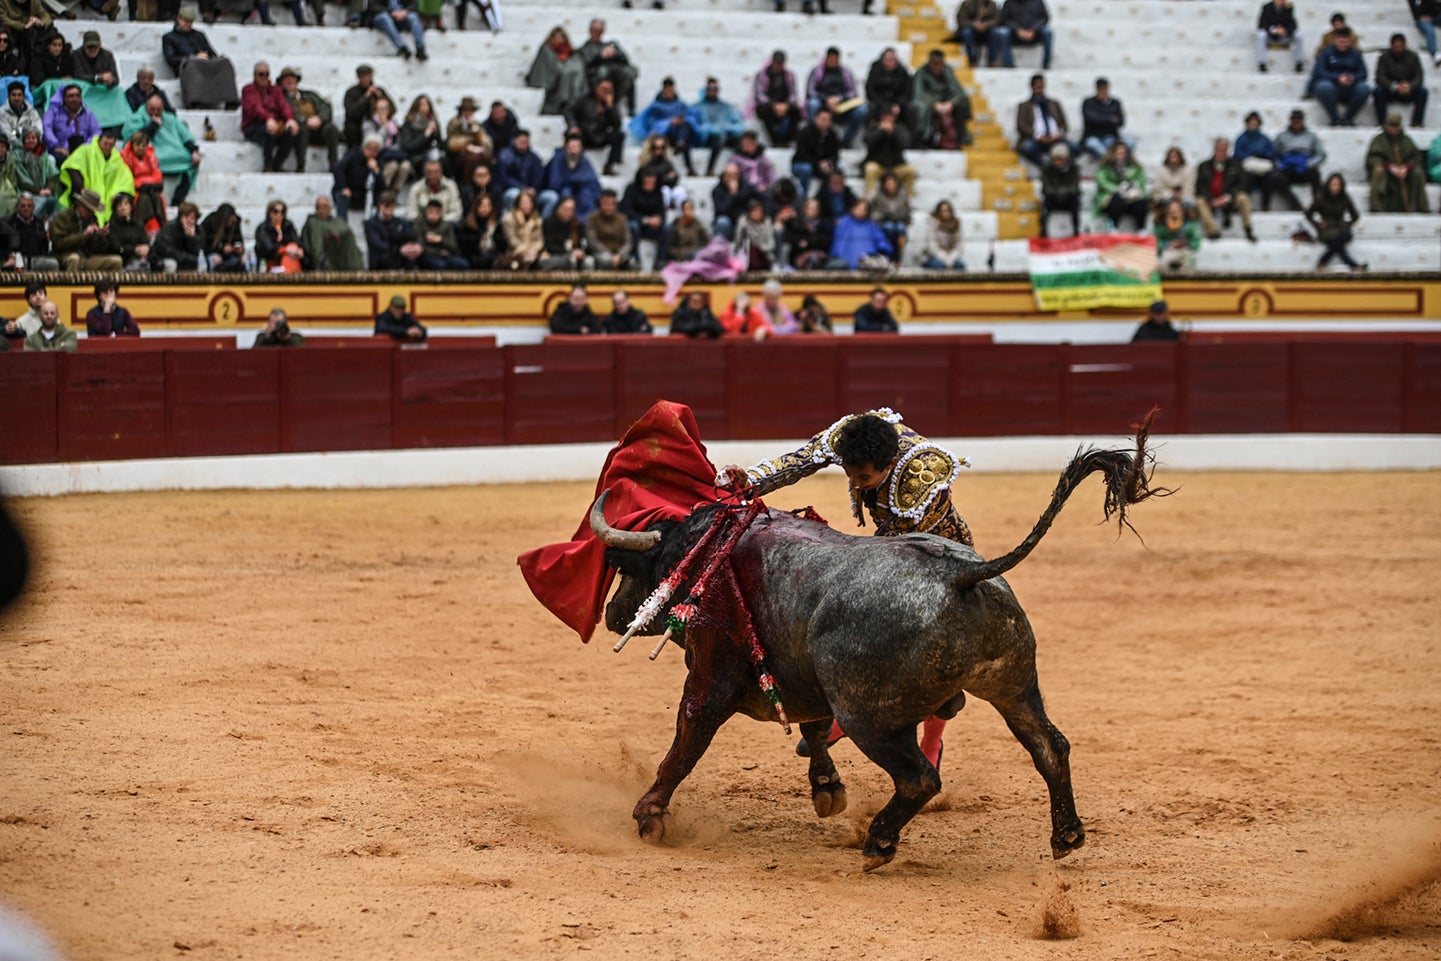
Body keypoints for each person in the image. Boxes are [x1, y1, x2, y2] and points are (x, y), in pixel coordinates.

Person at [718, 408, 974, 765]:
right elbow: (798, 462)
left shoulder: (921, 481)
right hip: (891, 541)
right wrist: (748, 484)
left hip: (939, 554)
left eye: (864, 477)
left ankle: (930, 743)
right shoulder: (850, 437)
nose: (855, 483)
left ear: (889, 464)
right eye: (850, 474)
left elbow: (894, 551)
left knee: (931, 654)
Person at [123, 93, 201, 208]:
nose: (155, 113)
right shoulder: (137, 117)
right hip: (148, 152)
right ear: (146, 106)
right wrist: (153, 126)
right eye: (152, 109)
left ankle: (179, 197)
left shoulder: (169, 118)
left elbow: (185, 135)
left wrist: (194, 151)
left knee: (193, 159)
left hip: (173, 151)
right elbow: (134, 138)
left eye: (158, 110)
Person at [164, 6, 237, 110]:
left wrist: (207, 56)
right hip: (187, 65)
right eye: (186, 21)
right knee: (193, 64)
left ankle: (231, 100)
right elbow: (171, 58)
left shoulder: (198, 35)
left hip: (205, 64)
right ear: (179, 19)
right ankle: (195, 101)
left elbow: (212, 53)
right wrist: (192, 57)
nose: (188, 24)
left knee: (225, 62)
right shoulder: (169, 37)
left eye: (190, 22)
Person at [278, 66, 340, 175]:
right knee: (302, 129)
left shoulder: (310, 95)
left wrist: (319, 118)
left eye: (293, 78)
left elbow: (325, 106)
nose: (291, 81)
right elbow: (287, 113)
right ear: (282, 83)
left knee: (330, 129)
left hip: (318, 128)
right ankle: (301, 166)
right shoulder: (281, 98)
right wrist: (305, 120)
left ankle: (333, 164)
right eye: (287, 79)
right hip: (301, 130)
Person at [630, 78, 696, 176]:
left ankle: (688, 163)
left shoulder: (680, 105)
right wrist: (669, 123)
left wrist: (681, 120)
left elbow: (691, 115)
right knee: (660, 144)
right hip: (663, 135)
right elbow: (651, 123)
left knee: (685, 132)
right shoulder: (655, 106)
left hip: (678, 134)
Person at [240, 61, 298, 172]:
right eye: (261, 74)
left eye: (266, 74)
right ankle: (268, 165)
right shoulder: (248, 90)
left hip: (273, 123)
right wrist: (268, 118)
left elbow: (283, 105)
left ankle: (278, 164)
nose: (264, 77)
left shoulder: (275, 90)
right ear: (255, 75)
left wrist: (290, 119)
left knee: (291, 130)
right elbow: (255, 108)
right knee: (269, 130)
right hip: (254, 126)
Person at [1366, 114, 1429, 212]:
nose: (1393, 128)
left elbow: (1416, 157)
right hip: (1386, 172)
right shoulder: (1379, 140)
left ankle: (1421, 206)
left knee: (1418, 173)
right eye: (1391, 125)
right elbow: (1372, 158)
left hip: (1404, 173)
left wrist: (1407, 167)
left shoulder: (1406, 140)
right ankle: (1376, 205)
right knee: (1378, 171)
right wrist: (1389, 167)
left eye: (1396, 125)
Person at [48, 187, 122, 271]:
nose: (91, 213)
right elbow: (59, 243)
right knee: (74, 259)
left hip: (86, 257)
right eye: (89, 210)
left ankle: (107, 284)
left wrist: (100, 237)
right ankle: (72, 284)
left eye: (93, 210)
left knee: (116, 261)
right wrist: (84, 235)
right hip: (64, 255)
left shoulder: (92, 219)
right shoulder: (63, 217)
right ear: (80, 205)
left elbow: (96, 250)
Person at [806, 48, 867, 148]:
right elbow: (811, 91)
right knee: (813, 104)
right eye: (831, 59)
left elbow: (852, 92)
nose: (833, 62)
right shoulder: (817, 71)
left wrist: (839, 99)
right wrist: (826, 99)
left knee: (862, 110)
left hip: (842, 106)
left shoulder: (846, 72)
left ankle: (846, 141)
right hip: (823, 105)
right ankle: (814, 137)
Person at [912, 50, 971, 150]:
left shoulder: (947, 72)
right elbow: (919, 93)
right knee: (921, 108)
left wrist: (950, 103)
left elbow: (958, 92)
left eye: (939, 64)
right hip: (929, 102)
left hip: (946, 102)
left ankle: (960, 138)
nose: (937, 67)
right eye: (934, 64)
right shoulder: (921, 73)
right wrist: (934, 104)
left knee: (962, 103)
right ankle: (925, 138)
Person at [577, 19, 637, 117]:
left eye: (599, 31)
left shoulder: (610, 45)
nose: (596, 33)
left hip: (615, 78)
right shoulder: (584, 49)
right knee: (603, 73)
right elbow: (586, 66)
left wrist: (614, 54)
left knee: (629, 73)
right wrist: (600, 57)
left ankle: (630, 108)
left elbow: (625, 60)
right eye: (594, 30)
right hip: (595, 79)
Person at [1306, 171, 1365, 270]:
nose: (1336, 187)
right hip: (1327, 229)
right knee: (1339, 245)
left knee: (1343, 237)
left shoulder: (1345, 198)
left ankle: (1322, 261)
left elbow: (1355, 215)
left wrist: (1347, 224)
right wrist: (1318, 225)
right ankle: (1354, 266)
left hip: (1341, 227)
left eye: (1338, 185)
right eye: (1333, 184)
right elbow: (1308, 214)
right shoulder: (1321, 198)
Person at [565, 79, 625, 176]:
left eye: (609, 90)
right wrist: (573, 126)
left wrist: (610, 107)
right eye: (604, 89)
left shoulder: (611, 103)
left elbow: (617, 124)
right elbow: (568, 112)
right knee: (572, 136)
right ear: (597, 88)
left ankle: (609, 166)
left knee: (619, 135)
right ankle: (572, 165)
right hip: (583, 133)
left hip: (599, 135)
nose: (606, 92)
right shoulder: (584, 98)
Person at [525, 25, 587, 116]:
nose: (559, 39)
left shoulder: (572, 54)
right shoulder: (547, 50)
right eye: (556, 37)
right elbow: (552, 68)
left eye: (562, 37)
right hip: (554, 88)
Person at [1314, 27, 1371, 126]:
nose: (1343, 44)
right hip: (1333, 85)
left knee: (1364, 88)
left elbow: (1363, 73)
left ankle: (1348, 118)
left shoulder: (1355, 53)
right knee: (1322, 87)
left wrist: (1352, 77)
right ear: (1335, 40)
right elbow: (1320, 71)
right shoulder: (1327, 53)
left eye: (1345, 41)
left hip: (1351, 86)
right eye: (1340, 41)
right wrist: (1337, 77)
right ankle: (1335, 118)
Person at [1014, 73, 1073, 168]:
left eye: (1041, 86)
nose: (1039, 89)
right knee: (1028, 148)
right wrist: (1038, 136)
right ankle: (1047, 166)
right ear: (1032, 87)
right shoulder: (1025, 106)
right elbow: (1021, 126)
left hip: (1055, 138)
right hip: (1035, 139)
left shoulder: (1054, 103)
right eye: (1037, 86)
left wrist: (1057, 134)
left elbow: (1064, 124)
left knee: (1074, 148)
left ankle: (1065, 169)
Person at [1272, 109, 1325, 210]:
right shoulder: (1281, 136)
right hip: (1287, 167)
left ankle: (1318, 204)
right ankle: (1295, 205)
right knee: (1276, 179)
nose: (1296, 123)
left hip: (1304, 167)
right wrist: (1280, 165)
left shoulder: (1311, 136)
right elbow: (1274, 154)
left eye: (1299, 121)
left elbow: (1321, 154)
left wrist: (1309, 163)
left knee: (1315, 174)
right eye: (1294, 121)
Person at [543, 130, 602, 220]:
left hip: (580, 190)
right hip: (562, 190)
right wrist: (574, 182)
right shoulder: (558, 159)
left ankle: (585, 222)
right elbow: (554, 181)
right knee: (566, 195)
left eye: (577, 147)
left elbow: (592, 180)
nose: (574, 149)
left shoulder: (584, 160)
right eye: (572, 146)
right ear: (566, 147)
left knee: (587, 195)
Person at [1374, 33, 1429, 127]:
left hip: (1408, 90)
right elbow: (1380, 77)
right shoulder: (1384, 57)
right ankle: (1382, 122)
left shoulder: (1413, 57)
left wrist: (1410, 86)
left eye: (1401, 47)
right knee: (1378, 91)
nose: (1398, 49)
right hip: (1390, 90)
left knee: (1423, 92)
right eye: (1396, 47)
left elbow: (1419, 77)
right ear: (1391, 46)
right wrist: (1395, 86)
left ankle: (1417, 122)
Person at [693, 78, 745, 178]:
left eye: (715, 89)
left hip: (726, 136)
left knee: (741, 140)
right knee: (720, 137)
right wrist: (717, 129)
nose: (712, 91)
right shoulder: (698, 107)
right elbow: (698, 127)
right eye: (710, 88)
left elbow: (740, 126)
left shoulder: (726, 107)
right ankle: (710, 169)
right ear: (705, 90)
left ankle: (738, 170)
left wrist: (725, 128)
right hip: (707, 138)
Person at [1233, 110, 1283, 210]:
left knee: (1268, 180)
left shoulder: (1264, 138)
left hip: (1262, 168)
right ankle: (1246, 205)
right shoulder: (1242, 138)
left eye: (1255, 123)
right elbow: (1238, 154)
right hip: (1248, 168)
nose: (1253, 125)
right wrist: (1250, 156)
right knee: (1248, 179)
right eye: (1251, 123)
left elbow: (1272, 152)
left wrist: (1262, 155)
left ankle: (1266, 205)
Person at [300, 194, 364, 270]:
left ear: (330, 208)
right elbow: (312, 244)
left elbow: (347, 232)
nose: (322, 210)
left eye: (325, 206)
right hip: (324, 256)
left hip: (341, 253)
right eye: (319, 207)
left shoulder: (338, 221)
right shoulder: (312, 223)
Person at [620, 170, 669, 270]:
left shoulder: (658, 191)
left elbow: (662, 211)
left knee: (667, 229)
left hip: (652, 227)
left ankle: (660, 261)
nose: (650, 185)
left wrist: (659, 219)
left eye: (653, 182)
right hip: (637, 223)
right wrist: (644, 220)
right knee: (633, 226)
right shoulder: (631, 189)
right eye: (648, 182)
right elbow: (626, 210)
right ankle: (636, 260)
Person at [1094, 141, 1147, 231]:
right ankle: (1112, 226)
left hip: (1131, 196)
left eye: (1124, 153)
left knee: (1141, 202)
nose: (1122, 155)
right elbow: (1102, 182)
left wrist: (1131, 189)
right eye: (1119, 153)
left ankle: (1141, 229)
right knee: (1117, 199)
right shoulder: (1106, 167)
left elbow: (1141, 182)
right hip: (1111, 197)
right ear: (1113, 154)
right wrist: (1119, 189)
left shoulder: (1136, 168)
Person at [861, 111, 915, 198]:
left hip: (895, 166)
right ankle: (870, 199)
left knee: (911, 171)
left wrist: (893, 132)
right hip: (879, 166)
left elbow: (905, 143)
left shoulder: (900, 128)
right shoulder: (873, 127)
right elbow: (868, 142)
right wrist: (881, 131)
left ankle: (909, 199)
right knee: (870, 168)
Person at [752, 50, 800, 147]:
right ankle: (775, 141)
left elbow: (793, 93)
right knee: (766, 112)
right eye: (777, 63)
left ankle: (789, 140)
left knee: (796, 112)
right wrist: (774, 105)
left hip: (784, 104)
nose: (779, 66)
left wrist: (786, 105)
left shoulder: (789, 75)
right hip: (768, 105)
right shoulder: (762, 75)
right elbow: (759, 95)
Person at [365, 190, 424, 269]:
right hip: (381, 258)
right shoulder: (371, 223)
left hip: (397, 255)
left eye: (391, 206)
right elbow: (377, 244)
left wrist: (412, 247)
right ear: (380, 206)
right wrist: (399, 250)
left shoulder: (399, 222)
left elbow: (408, 236)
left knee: (413, 256)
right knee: (386, 256)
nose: (389, 209)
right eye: (386, 206)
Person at [828, 197, 892, 269]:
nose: (860, 211)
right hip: (845, 262)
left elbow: (883, 242)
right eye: (858, 208)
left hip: (868, 264)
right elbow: (838, 244)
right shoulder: (843, 222)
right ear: (853, 208)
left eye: (863, 209)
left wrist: (883, 251)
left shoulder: (871, 226)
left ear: (867, 212)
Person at [341, 64, 395, 151]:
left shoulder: (379, 90)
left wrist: (381, 97)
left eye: (368, 76)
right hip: (357, 125)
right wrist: (366, 97)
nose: (366, 79)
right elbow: (351, 113)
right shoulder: (351, 92)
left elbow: (393, 109)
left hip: (377, 124)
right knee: (352, 129)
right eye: (363, 76)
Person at [1079, 77, 1134, 159]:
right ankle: (1110, 160)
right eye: (1100, 89)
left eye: (1104, 89)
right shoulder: (1088, 102)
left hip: (1111, 137)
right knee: (1094, 144)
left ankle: (1115, 159)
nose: (1102, 92)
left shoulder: (1115, 103)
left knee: (1130, 142)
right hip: (1094, 137)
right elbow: (1091, 120)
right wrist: (1110, 118)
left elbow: (1121, 122)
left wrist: (1100, 117)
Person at [494, 127, 546, 212]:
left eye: (526, 142)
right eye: (521, 141)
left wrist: (534, 188)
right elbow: (504, 178)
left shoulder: (534, 157)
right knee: (513, 195)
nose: (524, 144)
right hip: (512, 190)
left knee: (551, 197)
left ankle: (539, 222)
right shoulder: (505, 156)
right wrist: (523, 188)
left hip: (532, 191)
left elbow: (539, 175)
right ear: (514, 140)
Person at [44, 85, 100, 164]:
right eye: (71, 96)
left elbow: (96, 132)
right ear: (64, 99)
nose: (75, 99)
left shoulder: (88, 113)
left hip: (85, 151)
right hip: (60, 151)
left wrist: (85, 148)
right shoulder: (54, 112)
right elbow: (47, 129)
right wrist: (57, 147)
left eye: (77, 96)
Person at [331, 135, 384, 219]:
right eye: (369, 148)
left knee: (383, 197)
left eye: (375, 150)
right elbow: (337, 168)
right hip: (350, 191)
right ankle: (342, 226)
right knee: (341, 195)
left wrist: (376, 171)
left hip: (365, 195)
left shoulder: (378, 161)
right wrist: (343, 187)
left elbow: (381, 186)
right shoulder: (353, 155)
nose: (372, 152)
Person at [446, 97, 493, 187]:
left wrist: (475, 129)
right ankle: (467, 186)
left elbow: (484, 141)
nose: (468, 113)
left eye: (470, 110)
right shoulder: (455, 123)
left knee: (487, 157)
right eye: (466, 110)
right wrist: (468, 146)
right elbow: (451, 143)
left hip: (475, 152)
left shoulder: (475, 123)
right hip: (458, 154)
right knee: (472, 159)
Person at [865, 47, 914, 134]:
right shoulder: (875, 71)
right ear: (883, 60)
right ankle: (871, 135)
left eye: (893, 59)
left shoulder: (902, 72)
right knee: (870, 109)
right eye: (888, 59)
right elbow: (870, 91)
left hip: (897, 102)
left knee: (911, 110)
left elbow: (907, 91)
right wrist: (883, 105)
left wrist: (899, 104)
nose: (891, 62)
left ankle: (911, 139)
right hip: (879, 102)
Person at [537, 194, 590, 270]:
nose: (568, 212)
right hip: (556, 256)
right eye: (566, 209)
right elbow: (550, 246)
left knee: (589, 261)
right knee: (571, 260)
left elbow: (583, 242)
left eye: (571, 210)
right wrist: (570, 253)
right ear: (559, 207)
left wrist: (581, 251)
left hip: (575, 256)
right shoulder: (549, 223)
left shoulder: (576, 223)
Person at [1039, 141, 1079, 238]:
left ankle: (1076, 231)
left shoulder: (1074, 168)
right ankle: (1043, 232)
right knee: (1044, 205)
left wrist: (1065, 192)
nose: (1058, 162)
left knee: (1075, 202)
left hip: (1068, 198)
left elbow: (1074, 185)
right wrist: (1057, 192)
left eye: (1061, 160)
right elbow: (1046, 186)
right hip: (1053, 197)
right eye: (1056, 160)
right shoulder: (1047, 168)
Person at [869, 172, 911, 262]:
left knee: (900, 228)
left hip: (899, 223)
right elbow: (870, 211)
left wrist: (898, 215)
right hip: (881, 223)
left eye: (893, 183)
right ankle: (888, 255)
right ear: (883, 185)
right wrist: (884, 214)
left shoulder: (903, 196)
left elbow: (907, 214)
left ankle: (897, 257)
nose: (891, 186)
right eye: (888, 183)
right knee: (889, 227)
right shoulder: (876, 195)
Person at [585, 188, 632, 269]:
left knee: (633, 263)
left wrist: (619, 255)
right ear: (600, 203)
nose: (608, 207)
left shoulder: (622, 219)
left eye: (611, 204)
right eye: (606, 204)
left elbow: (628, 241)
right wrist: (609, 255)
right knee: (605, 260)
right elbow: (592, 242)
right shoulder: (592, 219)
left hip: (619, 254)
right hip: (600, 253)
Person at [151, 199, 203, 271]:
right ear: (181, 217)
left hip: (187, 259)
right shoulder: (170, 227)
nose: (189, 221)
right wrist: (186, 258)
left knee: (202, 264)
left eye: (192, 218)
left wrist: (192, 238)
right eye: (186, 217)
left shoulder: (198, 230)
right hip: (165, 258)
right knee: (171, 264)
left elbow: (198, 250)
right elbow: (166, 250)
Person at [9, 193, 58, 270]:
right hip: (19, 259)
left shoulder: (39, 222)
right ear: (17, 207)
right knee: (19, 265)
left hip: (37, 259)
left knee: (53, 263)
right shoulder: (10, 222)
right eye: (23, 206)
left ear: (33, 207)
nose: (26, 209)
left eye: (29, 206)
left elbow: (45, 244)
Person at [399, 94, 444, 176]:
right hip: (415, 155)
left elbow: (440, 143)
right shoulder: (409, 123)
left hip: (430, 153)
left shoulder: (433, 122)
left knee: (443, 161)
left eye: (427, 104)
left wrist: (435, 132)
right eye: (422, 104)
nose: (425, 107)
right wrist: (426, 134)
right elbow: (409, 146)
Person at [456, 192, 505, 269]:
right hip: (474, 258)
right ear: (476, 207)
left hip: (493, 256)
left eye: (488, 205)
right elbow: (466, 249)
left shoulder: (496, 225)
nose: (485, 209)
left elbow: (502, 246)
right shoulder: (468, 226)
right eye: (482, 206)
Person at [998, 0, 1053, 68]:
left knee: (1047, 32)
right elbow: (1004, 19)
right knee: (1004, 33)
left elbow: (1044, 18)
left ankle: (1046, 63)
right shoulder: (1009, 2)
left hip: (1034, 34)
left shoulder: (1038, 2)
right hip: (1015, 34)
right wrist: (1018, 29)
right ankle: (1009, 64)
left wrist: (1033, 29)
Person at [1255, 0, 1306, 72]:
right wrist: (1274, 30)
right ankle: (1261, 63)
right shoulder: (1266, 7)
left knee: (1299, 35)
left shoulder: (1288, 7)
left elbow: (1293, 25)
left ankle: (1299, 62)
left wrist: (1285, 30)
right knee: (1261, 35)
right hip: (1271, 36)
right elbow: (1262, 24)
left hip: (1285, 36)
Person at [1153, 198, 1201, 274]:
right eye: (1171, 208)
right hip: (1168, 250)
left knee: (1188, 265)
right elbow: (1155, 241)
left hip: (1185, 250)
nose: (1174, 211)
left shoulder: (1190, 223)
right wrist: (1169, 244)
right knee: (1162, 265)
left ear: (1182, 210)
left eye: (1177, 208)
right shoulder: (1161, 223)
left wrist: (1186, 243)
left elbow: (1196, 241)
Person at [255, 199, 304, 271]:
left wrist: (298, 249)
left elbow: (296, 241)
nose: (279, 215)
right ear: (270, 213)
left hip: (289, 258)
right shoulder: (263, 228)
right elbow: (268, 248)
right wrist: (285, 250)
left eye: (282, 212)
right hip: (269, 261)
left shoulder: (288, 226)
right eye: (276, 211)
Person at [406, 158, 461, 222]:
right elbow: (410, 213)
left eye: (436, 172)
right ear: (424, 173)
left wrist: (438, 220)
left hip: (445, 223)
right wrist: (425, 220)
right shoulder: (416, 188)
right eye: (429, 172)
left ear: (441, 172)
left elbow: (457, 213)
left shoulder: (451, 186)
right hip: (423, 224)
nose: (433, 175)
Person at [784, 196, 831, 269]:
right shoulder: (797, 223)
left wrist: (808, 243)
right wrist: (800, 243)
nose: (814, 211)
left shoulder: (823, 224)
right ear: (805, 209)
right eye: (811, 208)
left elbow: (825, 241)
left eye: (816, 208)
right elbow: (793, 240)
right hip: (799, 256)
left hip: (817, 254)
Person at [106, 193, 151, 270]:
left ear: (131, 207)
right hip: (122, 259)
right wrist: (134, 250)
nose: (123, 208)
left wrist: (145, 248)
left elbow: (145, 240)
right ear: (115, 208)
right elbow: (117, 248)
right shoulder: (111, 225)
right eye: (120, 205)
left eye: (126, 204)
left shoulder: (137, 224)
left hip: (139, 257)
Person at [501, 187, 543, 269]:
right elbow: (512, 241)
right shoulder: (509, 219)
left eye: (529, 203)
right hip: (515, 253)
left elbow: (539, 240)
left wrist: (533, 251)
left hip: (534, 253)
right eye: (524, 203)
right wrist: (527, 251)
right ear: (518, 204)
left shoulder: (537, 219)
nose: (527, 206)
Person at [954, 0, 1004, 68]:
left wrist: (986, 24)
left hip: (987, 31)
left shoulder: (992, 5)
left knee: (994, 33)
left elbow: (997, 19)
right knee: (966, 33)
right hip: (971, 30)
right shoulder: (967, 4)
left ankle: (992, 61)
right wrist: (973, 25)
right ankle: (972, 61)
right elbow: (961, 20)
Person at [732, 198, 776, 271]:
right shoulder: (743, 222)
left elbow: (771, 243)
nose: (757, 214)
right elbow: (738, 241)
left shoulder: (767, 222)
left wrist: (761, 248)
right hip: (747, 255)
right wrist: (742, 226)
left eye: (759, 212)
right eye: (754, 211)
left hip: (764, 253)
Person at [1150, 146, 1195, 216]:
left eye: (1176, 157)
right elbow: (1158, 188)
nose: (1173, 160)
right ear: (1168, 158)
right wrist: (1171, 194)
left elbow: (1189, 187)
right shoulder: (1162, 171)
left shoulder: (1188, 170)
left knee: (1189, 204)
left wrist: (1181, 196)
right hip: (1167, 197)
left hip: (1184, 197)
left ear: (1180, 158)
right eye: (1171, 157)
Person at [200, 202, 245, 271]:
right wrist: (221, 249)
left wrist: (239, 248)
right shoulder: (209, 223)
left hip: (231, 254)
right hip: (214, 253)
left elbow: (239, 240)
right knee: (215, 259)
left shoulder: (235, 223)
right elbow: (205, 246)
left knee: (244, 259)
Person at [921, 199, 965, 269]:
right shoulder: (932, 224)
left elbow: (959, 247)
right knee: (938, 265)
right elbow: (932, 247)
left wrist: (951, 259)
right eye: (944, 211)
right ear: (939, 213)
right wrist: (945, 259)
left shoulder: (956, 224)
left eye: (948, 211)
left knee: (960, 265)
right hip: (933, 257)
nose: (946, 214)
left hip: (951, 257)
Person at [667, 198, 709, 263]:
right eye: (686, 209)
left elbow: (707, 240)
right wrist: (680, 253)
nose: (688, 211)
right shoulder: (677, 224)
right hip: (681, 254)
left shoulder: (697, 224)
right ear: (682, 210)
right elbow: (670, 247)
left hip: (695, 253)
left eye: (690, 209)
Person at [0, 79, 38, 144]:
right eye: (13, 95)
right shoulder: (2, 112)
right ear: (8, 97)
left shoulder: (32, 112)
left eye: (19, 95)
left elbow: (38, 130)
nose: (16, 98)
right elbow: (8, 135)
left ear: (23, 97)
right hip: (10, 148)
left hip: (31, 146)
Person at [1410, 0, 1440, 67]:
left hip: (1434, 16)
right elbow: (1415, 11)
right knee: (1430, 31)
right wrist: (1420, 16)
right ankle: (1435, 52)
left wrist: (1431, 16)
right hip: (1421, 19)